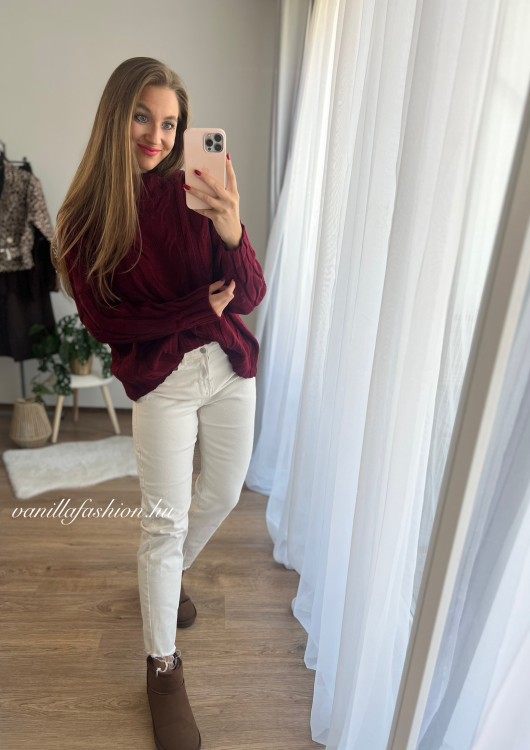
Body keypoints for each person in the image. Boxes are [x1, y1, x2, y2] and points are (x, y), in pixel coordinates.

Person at [53, 56, 266, 750]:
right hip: (162, 381)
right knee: (162, 525)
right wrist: (192, 309)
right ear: (115, 116)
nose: (157, 136)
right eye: (143, 117)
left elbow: (250, 294)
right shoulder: (84, 220)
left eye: (171, 123)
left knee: (224, 492)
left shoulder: (195, 191)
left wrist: (232, 230)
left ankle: (166, 581)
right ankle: (162, 667)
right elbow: (107, 323)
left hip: (228, 365)